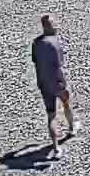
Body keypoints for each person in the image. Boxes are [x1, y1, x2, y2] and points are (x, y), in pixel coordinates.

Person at [30, 15, 77, 156]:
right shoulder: (54, 42)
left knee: (51, 116)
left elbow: (35, 61)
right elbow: (58, 66)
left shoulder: (35, 43)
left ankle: (56, 148)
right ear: (49, 26)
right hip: (57, 83)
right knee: (66, 103)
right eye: (53, 24)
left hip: (44, 84)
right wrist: (63, 83)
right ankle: (71, 129)